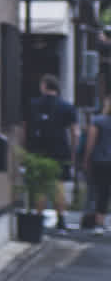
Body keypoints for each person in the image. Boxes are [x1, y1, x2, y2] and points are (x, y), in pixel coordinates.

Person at [26, 75, 80, 226]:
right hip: (61, 150)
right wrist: (74, 152)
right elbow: (75, 132)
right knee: (59, 184)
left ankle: (38, 218)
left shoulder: (34, 104)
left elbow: (26, 128)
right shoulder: (67, 107)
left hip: (39, 150)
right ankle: (61, 219)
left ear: (44, 86)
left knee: (40, 185)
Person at [84, 97, 111, 231]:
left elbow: (91, 141)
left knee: (98, 190)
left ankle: (98, 222)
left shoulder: (98, 121)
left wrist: (86, 158)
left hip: (100, 160)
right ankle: (100, 220)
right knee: (105, 192)